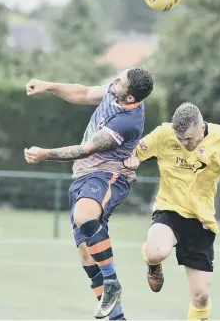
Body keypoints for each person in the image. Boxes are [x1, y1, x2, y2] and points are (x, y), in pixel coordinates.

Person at [24, 68, 154, 320]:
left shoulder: (126, 122)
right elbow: (83, 93)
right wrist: (48, 84)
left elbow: (85, 149)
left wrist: (45, 154)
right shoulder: (116, 92)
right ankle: (117, 317)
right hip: (84, 176)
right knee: (86, 252)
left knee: (85, 214)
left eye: (121, 80)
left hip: (109, 175)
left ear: (130, 98)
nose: (115, 79)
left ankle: (112, 282)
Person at [124, 102, 220, 320]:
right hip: (169, 209)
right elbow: (132, 153)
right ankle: (153, 262)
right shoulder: (164, 134)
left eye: (189, 139)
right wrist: (132, 160)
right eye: (180, 139)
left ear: (201, 128)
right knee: (157, 252)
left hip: (201, 219)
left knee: (201, 297)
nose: (185, 143)